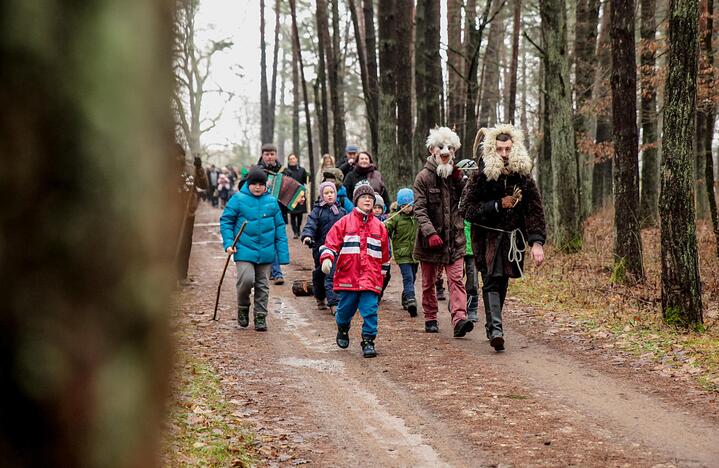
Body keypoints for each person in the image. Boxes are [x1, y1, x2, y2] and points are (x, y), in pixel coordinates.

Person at [460, 124, 546, 351]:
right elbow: (467, 209)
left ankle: (492, 325)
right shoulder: (481, 175)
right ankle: (496, 330)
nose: (504, 154)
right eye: (500, 149)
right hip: (486, 237)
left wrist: (536, 241)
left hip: (511, 240)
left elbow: (534, 210)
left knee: (503, 282)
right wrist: (497, 205)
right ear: (492, 149)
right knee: (490, 281)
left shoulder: (523, 177)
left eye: (508, 149)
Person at [413, 126, 474, 338]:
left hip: (454, 240)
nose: (445, 151)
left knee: (456, 279)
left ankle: (459, 318)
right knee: (429, 282)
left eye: (449, 148)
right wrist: (430, 233)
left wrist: (459, 179)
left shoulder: (457, 177)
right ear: (432, 150)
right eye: (441, 147)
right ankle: (430, 316)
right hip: (429, 241)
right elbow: (419, 209)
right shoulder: (423, 177)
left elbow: (467, 201)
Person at [320, 182, 391, 358]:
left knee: (370, 310)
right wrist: (327, 259)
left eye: (370, 198)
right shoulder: (344, 223)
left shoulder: (380, 227)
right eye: (363, 197)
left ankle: (368, 340)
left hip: (370, 278)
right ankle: (343, 327)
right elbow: (330, 243)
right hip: (348, 276)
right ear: (356, 200)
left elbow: (385, 255)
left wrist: (382, 276)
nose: (367, 200)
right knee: (344, 310)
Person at [220, 166, 290, 331]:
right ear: (248, 183)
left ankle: (260, 316)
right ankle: (243, 307)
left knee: (263, 285)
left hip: (266, 251)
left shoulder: (272, 201)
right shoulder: (237, 199)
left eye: (261, 184)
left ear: (266, 185)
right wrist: (229, 243)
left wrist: (283, 255)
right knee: (246, 280)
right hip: (243, 249)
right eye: (254, 184)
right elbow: (226, 221)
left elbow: (280, 228)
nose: (258, 187)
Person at [301, 181, 347, 315]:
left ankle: (334, 302)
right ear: (322, 195)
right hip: (321, 248)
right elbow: (310, 225)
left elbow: (348, 227)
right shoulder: (317, 211)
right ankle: (320, 296)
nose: (330, 195)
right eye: (326, 193)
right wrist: (307, 236)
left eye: (332, 192)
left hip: (338, 248)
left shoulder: (342, 211)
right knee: (321, 274)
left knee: (333, 274)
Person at [175, 143, 209, 287]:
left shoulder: (191, 169)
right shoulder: (164, 171)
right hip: (169, 213)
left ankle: (182, 275)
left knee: (185, 244)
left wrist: (199, 168)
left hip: (187, 213)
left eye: (180, 155)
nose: (178, 158)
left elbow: (204, 185)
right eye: (175, 156)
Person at [256, 143, 287, 285]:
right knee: (268, 240)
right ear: (262, 155)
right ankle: (276, 272)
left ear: (276, 155)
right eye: (266, 154)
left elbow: (292, 190)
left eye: (272, 154)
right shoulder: (256, 171)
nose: (269, 157)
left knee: (277, 240)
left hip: (279, 211)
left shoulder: (283, 171)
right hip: (262, 211)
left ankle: (274, 271)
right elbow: (244, 186)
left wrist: (299, 198)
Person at [385, 188, 419, 317]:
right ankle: (411, 300)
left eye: (409, 205)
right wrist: (383, 227)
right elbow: (386, 230)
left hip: (415, 253)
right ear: (399, 205)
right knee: (408, 277)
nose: (407, 208)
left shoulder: (417, 216)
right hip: (402, 253)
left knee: (413, 277)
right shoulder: (395, 218)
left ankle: (405, 297)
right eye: (404, 206)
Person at [456, 158, 481, 322]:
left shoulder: (478, 195)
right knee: (456, 277)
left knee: (472, 279)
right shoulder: (454, 196)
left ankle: (472, 308)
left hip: (473, 245)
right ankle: (457, 304)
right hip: (457, 242)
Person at [284, 153, 309, 239]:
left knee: (300, 214)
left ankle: (298, 229)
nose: (292, 160)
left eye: (293, 158)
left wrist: (308, 176)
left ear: (296, 159)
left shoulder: (302, 170)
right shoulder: (286, 171)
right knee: (292, 214)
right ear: (288, 161)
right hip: (290, 194)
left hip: (300, 194)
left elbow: (306, 181)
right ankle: (295, 232)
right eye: (290, 159)